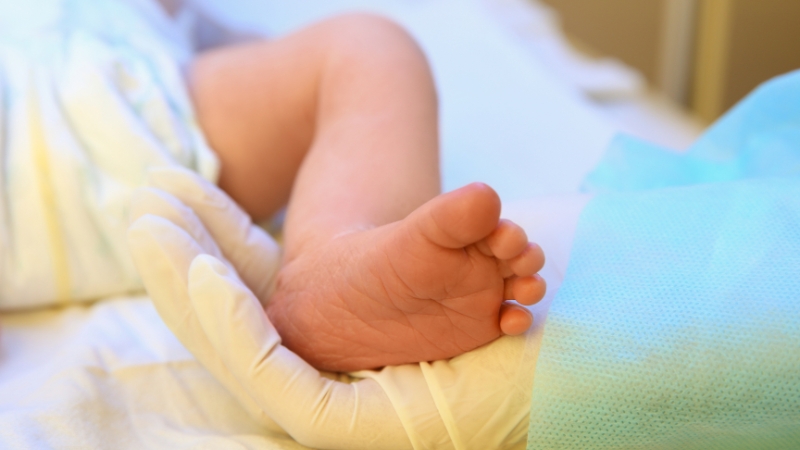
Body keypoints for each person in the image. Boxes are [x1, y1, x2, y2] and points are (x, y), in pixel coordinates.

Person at [0, 0, 546, 372]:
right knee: (362, 50)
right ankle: (327, 259)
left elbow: (251, 59)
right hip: (131, 118)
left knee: (352, 57)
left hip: (109, 108)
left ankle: (333, 279)